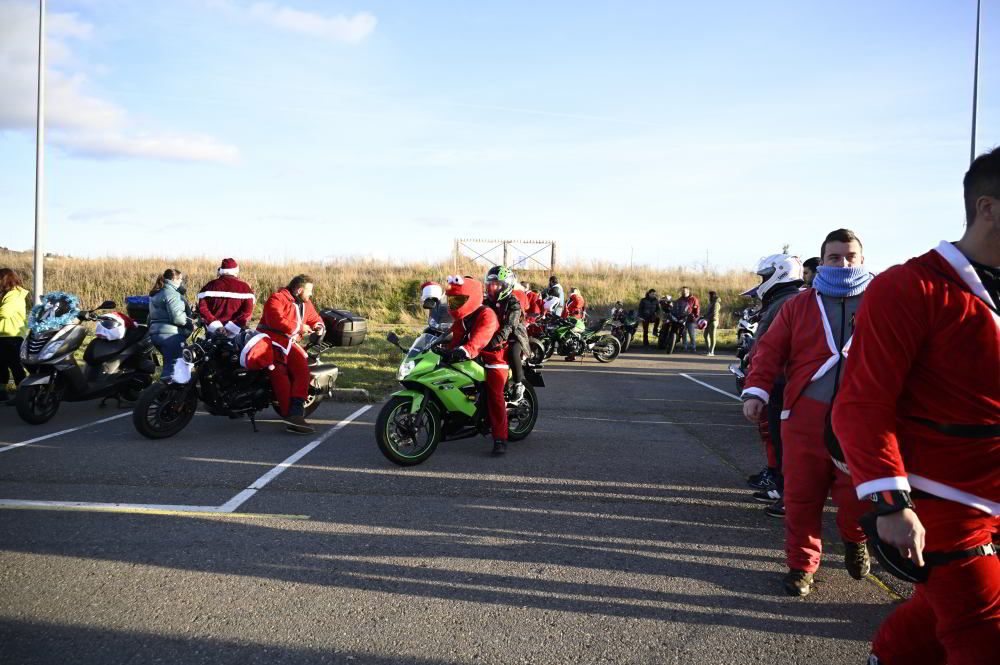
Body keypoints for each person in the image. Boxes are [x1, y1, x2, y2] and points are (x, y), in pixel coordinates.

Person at [833, 150, 1000, 664]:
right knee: (985, 630)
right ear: (988, 207)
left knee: (935, 614)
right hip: (941, 497)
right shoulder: (910, 286)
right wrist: (890, 502)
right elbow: (862, 402)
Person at [742, 230, 873, 597]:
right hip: (804, 417)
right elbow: (768, 351)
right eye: (835, 257)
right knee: (801, 497)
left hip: (860, 421)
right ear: (822, 262)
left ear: (862, 259)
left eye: (850, 256)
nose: (843, 263)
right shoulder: (798, 305)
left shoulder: (882, 302)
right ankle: (801, 566)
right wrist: (756, 391)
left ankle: (855, 539)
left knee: (857, 499)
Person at [743, 254, 806, 519]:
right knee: (778, 440)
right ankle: (784, 492)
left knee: (785, 443)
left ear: (780, 272)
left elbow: (774, 344)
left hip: (783, 382)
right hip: (778, 380)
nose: (763, 281)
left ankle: (788, 496)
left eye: (766, 275)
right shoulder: (785, 299)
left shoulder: (789, 300)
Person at [439, 275, 509, 455]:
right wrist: (438, 346)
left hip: (494, 358)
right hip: (473, 357)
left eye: (459, 300)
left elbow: (480, 338)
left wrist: (466, 350)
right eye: (452, 300)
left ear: (470, 298)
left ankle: (500, 437)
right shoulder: (463, 317)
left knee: (495, 395)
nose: (454, 304)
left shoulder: (487, 314)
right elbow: (453, 336)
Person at [257, 274, 325, 434]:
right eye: (309, 291)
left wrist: (318, 326)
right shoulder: (277, 298)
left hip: (289, 344)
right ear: (299, 289)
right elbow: (276, 321)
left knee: (302, 371)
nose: (311, 294)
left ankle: (295, 413)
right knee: (279, 373)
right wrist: (301, 328)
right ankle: (290, 416)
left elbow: (315, 318)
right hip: (271, 342)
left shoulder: (305, 303)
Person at [485, 266, 530, 403]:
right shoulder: (487, 302)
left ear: (506, 286)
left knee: (513, 352)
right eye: (491, 285)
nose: (492, 288)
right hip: (493, 335)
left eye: (497, 285)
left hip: (514, 336)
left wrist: (496, 339)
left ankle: (518, 384)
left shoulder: (513, 303)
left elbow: (509, 326)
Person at [148, 268, 193, 382]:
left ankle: (162, 394)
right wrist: (191, 322)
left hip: (156, 334)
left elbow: (149, 317)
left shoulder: (156, 293)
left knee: (169, 364)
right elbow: (178, 318)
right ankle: (165, 395)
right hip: (171, 336)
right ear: (174, 279)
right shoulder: (172, 294)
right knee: (173, 369)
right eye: (181, 279)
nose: (181, 282)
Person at [197, 258, 255, 336]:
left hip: (213, 333)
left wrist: (216, 326)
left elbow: (203, 309)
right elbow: (247, 312)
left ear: (221, 271)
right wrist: (231, 327)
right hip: (235, 335)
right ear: (236, 271)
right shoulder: (244, 288)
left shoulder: (210, 286)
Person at [0, 268, 28, 405]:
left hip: (12, 335)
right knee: (1, 366)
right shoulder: (7, 294)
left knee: (15, 366)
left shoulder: (15, 294)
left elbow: (4, 312)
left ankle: (23, 395)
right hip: (3, 335)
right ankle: (2, 393)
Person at [677, 287, 700, 352]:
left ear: (688, 291)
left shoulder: (693, 299)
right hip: (682, 318)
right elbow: (676, 307)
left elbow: (697, 308)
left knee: (691, 333)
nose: (684, 292)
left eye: (685, 291)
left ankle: (693, 347)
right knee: (683, 333)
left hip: (691, 319)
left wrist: (696, 316)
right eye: (683, 291)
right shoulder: (680, 299)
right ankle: (685, 346)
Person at [703, 291, 721, 356]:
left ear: (713, 296)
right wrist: (704, 316)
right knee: (705, 335)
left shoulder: (716, 303)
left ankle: (711, 351)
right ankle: (708, 350)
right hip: (708, 320)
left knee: (712, 336)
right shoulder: (711, 303)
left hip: (713, 321)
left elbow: (714, 313)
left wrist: (707, 318)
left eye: (710, 296)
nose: (709, 297)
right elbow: (708, 312)